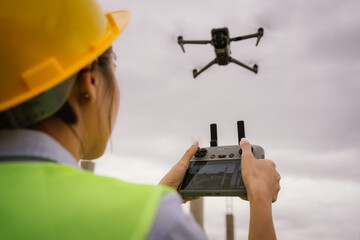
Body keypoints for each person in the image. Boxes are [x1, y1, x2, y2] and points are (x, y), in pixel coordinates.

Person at [0, 0, 281, 239]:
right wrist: (259, 199)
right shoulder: (155, 223)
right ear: (89, 83)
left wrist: (160, 197)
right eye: (114, 64)